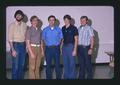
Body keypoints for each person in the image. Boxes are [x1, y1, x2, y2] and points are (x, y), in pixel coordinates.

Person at [8, 10, 27, 79]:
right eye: (17, 15)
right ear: (15, 16)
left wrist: (26, 47)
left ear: (22, 16)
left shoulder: (25, 25)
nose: (18, 16)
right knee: (15, 66)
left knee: (21, 66)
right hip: (15, 46)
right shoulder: (11, 25)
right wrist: (12, 50)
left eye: (20, 15)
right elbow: (10, 39)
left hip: (23, 46)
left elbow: (25, 37)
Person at [62, 15, 78, 79]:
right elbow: (62, 39)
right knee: (65, 63)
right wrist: (61, 47)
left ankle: (72, 77)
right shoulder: (63, 28)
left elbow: (76, 39)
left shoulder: (74, 28)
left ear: (70, 20)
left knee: (72, 63)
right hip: (64, 47)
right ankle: (66, 77)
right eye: (65, 20)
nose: (66, 21)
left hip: (71, 46)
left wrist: (75, 50)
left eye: (67, 20)